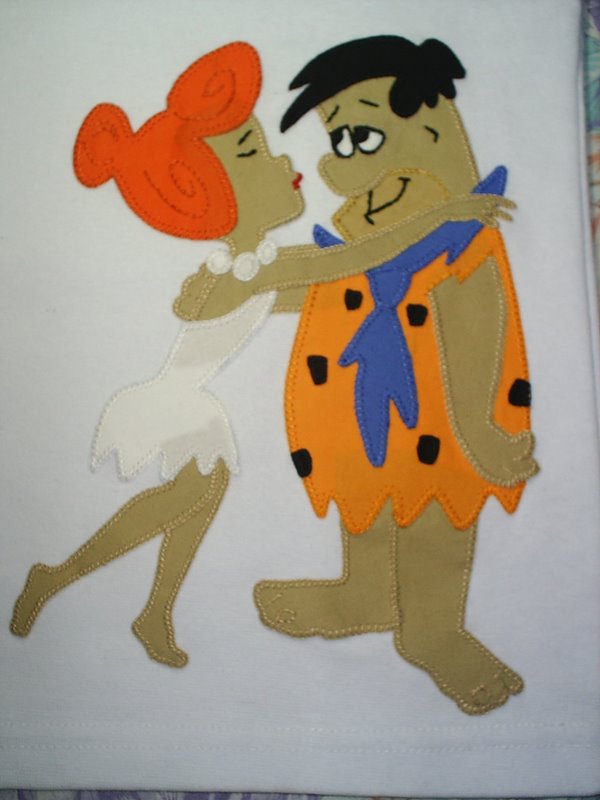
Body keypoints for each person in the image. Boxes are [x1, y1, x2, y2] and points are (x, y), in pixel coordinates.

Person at [10, 41, 510, 669]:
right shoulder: (252, 270)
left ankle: (151, 612)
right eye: (254, 154)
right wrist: (451, 215)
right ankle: (56, 578)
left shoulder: (251, 266)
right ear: (215, 193)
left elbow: (335, 286)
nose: (284, 160)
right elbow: (354, 260)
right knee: (177, 505)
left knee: (195, 505)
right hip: (175, 405)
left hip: (191, 406)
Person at [253, 36, 539, 715]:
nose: (336, 167)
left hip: (441, 427)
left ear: (430, 129)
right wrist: (255, 294)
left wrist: (478, 430)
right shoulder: (369, 242)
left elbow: (474, 330)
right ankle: (366, 595)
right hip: (362, 416)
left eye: (359, 139)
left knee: (434, 514)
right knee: (368, 499)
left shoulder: (462, 242)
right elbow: (331, 289)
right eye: (337, 142)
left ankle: (432, 629)